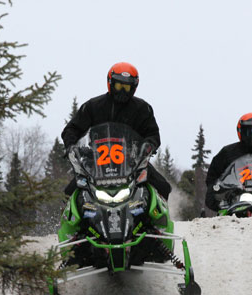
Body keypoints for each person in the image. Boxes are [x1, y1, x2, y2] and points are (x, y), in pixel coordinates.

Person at [61, 62, 171, 199]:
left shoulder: (142, 108)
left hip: (132, 159)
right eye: (119, 86)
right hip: (98, 160)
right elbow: (72, 129)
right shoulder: (93, 106)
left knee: (163, 187)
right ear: (110, 83)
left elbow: (152, 133)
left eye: (127, 87)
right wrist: (71, 146)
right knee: (70, 193)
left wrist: (148, 145)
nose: (122, 91)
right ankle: (68, 218)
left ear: (134, 87)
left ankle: (159, 217)